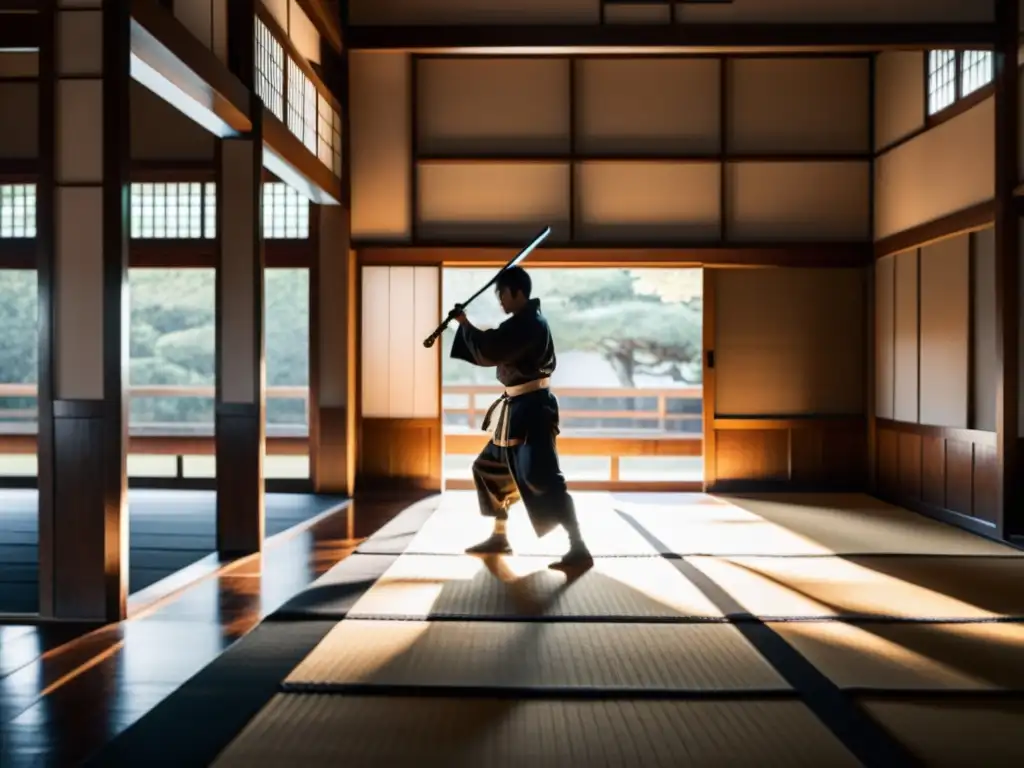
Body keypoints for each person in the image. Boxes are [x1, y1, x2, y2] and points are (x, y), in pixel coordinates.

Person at [450, 266, 593, 572]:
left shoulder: (529, 323)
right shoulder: (521, 322)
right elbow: (494, 344)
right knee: (489, 469)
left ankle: (578, 546)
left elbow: (491, 349)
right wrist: (466, 326)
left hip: (533, 412)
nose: (500, 300)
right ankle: (499, 536)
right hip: (516, 410)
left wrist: (464, 323)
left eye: (501, 293)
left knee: (543, 477)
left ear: (516, 292)